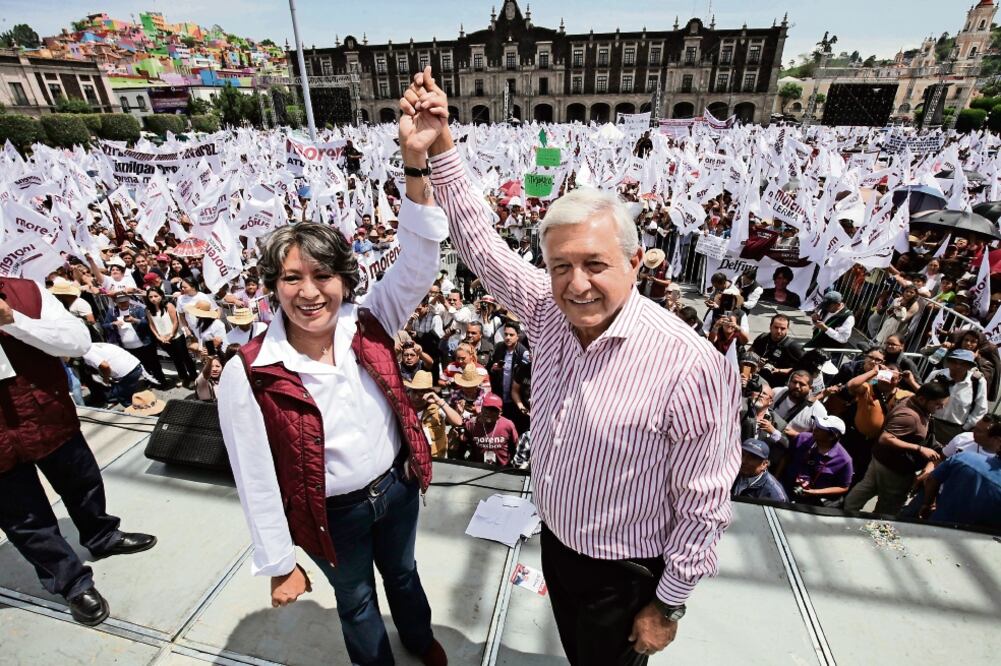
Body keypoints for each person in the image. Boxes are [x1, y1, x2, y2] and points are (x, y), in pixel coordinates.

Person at [407, 68, 740, 664]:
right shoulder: (545, 310)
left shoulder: (692, 366)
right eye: (561, 266)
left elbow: (704, 502)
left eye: (595, 264)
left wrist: (668, 605)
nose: (576, 284)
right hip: (558, 546)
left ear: (636, 261)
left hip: (625, 575)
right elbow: (481, 247)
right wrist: (442, 146)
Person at [216, 95, 449, 666]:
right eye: (291, 277)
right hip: (330, 513)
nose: (309, 292)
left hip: (394, 491)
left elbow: (419, 260)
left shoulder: (370, 322)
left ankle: (418, 639)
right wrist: (278, 562)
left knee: (403, 572)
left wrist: (414, 161)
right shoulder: (247, 372)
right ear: (272, 286)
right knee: (357, 602)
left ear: (344, 280)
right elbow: (255, 475)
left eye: (322, 275)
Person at [0, 277, 156, 626]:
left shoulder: (26, 291)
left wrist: (13, 320)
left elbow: (77, 341)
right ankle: (71, 583)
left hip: (46, 414)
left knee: (81, 481)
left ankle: (101, 535)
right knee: (24, 518)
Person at [843, 382, 949, 516]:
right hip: (894, 470)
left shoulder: (912, 400)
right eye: (938, 404)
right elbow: (885, 438)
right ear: (922, 399)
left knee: (867, 487)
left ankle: (846, 511)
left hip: (880, 459)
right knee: (889, 506)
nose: (941, 408)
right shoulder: (909, 417)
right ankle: (875, 526)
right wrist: (919, 448)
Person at [778, 415, 853, 505]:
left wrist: (815, 492)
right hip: (783, 486)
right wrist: (776, 477)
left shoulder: (844, 460)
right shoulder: (802, 438)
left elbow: (843, 487)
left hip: (809, 501)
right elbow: (786, 457)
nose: (815, 429)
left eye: (821, 428)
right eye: (816, 425)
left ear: (832, 436)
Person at [918, 449, 1001, 529]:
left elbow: (931, 479)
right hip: (974, 539)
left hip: (935, 526)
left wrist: (927, 504)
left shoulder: (964, 457)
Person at [102, 292, 167, 388]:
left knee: (154, 364)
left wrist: (135, 320)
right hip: (128, 347)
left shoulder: (138, 309)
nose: (123, 304)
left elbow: (147, 323)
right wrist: (113, 324)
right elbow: (105, 325)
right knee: (141, 366)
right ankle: (149, 381)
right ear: (116, 302)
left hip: (145, 343)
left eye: (125, 302)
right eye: (120, 303)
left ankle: (162, 381)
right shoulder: (112, 312)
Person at [926, 349, 988, 447]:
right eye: (954, 362)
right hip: (927, 422)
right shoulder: (936, 375)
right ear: (948, 362)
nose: (958, 366)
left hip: (953, 431)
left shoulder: (977, 382)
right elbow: (923, 395)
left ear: (969, 366)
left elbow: (980, 410)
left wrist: (964, 429)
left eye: (963, 364)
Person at [144, 287, 198, 388]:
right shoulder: (148, 310)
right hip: (162, 339)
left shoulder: (168, 306)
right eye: (150, 297)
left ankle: (194, 377)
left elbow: (175, 322)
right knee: (175, 359)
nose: (153, 299)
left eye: (156, 296)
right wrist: (158, 337)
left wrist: (171, 335)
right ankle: (184, 378)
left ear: (161, 295)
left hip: (176, 337)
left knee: (185, 358)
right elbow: (151, 325)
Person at [453, 393, 519, 466]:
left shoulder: (508, 425)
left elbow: (515, 447)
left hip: (502, 469)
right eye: (486, 408)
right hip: (478, 468)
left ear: (500, 412)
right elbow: (463, 444)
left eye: (493, 410)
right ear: (482, 408)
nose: (488, 412)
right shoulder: (472, 424)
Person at [82, 342, 146, 407]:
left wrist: (105, 380)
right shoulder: (95, 345)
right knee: (122, 393)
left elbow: (105, 366)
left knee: (121, 396)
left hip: (129, 372)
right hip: (134, 365)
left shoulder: (87, 354)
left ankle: (136, 412)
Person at [751, 314, 804, 387]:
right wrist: (755, 362)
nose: (779, 331)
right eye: (776, 327)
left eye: (782, 328)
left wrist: (778, 370)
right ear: (770, 327)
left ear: (787, 329)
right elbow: (749, 353)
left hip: (777, 385)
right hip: (756, 379)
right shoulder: (763, 337)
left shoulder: (793, 346)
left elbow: (804, 368)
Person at [771, 370, 828, 438]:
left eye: (802, 384)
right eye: (794, 382)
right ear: (788, 383)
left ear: (810, 388)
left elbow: (820, 437)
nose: (797, 386)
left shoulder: (818, 411)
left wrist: (797, 435)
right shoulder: (776, 392)